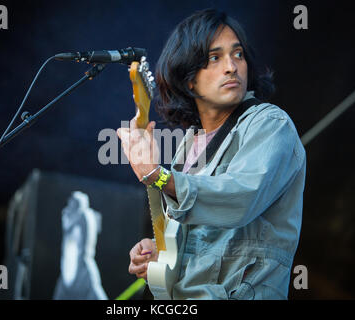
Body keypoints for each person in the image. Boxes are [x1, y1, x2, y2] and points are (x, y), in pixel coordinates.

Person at [116, 8, 306, 300]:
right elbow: (200, 238)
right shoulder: (189, 142)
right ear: (188, 78)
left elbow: (240, 196)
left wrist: (157, 175)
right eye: (215, 58)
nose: (231, 67)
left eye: (238, 54)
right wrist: (162, 253)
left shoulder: (270, 123)